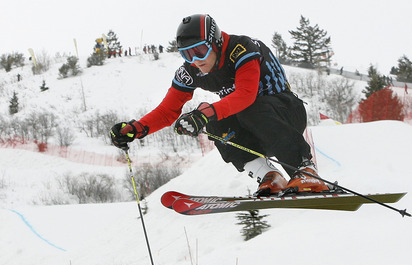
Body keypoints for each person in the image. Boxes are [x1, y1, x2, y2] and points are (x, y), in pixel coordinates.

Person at [110, 14, 331, 196]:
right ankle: (270, 176)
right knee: (216, 126)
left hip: (285, 114)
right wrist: (136, 129)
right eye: (186, 54)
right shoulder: (191, 71)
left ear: (215, 43)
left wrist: (205, 113)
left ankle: (305, 171)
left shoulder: (242, 49)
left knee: (246, 108)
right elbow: (168, 110)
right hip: (254, 125)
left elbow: (245, 95)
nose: (195, 60)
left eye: (199, 51)